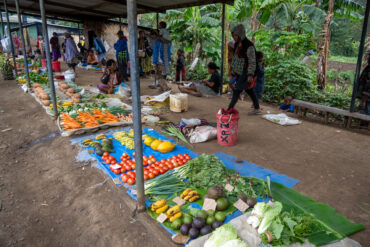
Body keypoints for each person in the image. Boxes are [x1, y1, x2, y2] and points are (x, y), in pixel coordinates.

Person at [227, 24, 261, 115]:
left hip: (248, 70)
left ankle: (229, 109)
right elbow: (235, 58)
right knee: (249, 89)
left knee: (237, 89)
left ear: (240, 34)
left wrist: (250, 74)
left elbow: (252, 61)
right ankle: (257, 108)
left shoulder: (249, 46)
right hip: (241, 70)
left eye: (235, 35)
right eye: (233, 35)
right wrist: (233, 71)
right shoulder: (237, 44)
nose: (234, 37)